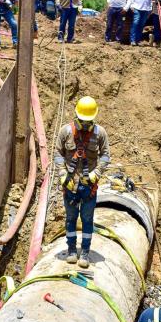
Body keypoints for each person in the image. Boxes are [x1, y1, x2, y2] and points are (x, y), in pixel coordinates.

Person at [54, 96, 110, 268]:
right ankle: (71, 250)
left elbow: (106, 156)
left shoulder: (100, 133)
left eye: (88, 121)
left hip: (88, 186)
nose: (85, 125)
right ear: (76, 115)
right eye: (82, 121)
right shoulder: (66, 132)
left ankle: (85, 252)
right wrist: (63, 174)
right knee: (71, 218)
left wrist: (96, 173)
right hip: (70, 185)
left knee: (87, 219)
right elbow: (58, 154)